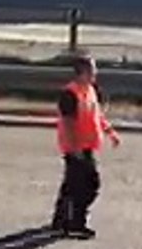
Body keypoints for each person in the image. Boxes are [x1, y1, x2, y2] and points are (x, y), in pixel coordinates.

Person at [50, 55, 121, 239]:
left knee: (71, 185)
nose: (95, 74)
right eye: (91, 70)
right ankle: (76, 222)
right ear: (81, 73)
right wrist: (75, 149)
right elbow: (68, 124)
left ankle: (61, 221)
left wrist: (109, 131)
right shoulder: (70, 94)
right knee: (88, 185)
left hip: (87, 145)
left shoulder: (90, 90)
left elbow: (96, 115)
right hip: (76, 148)